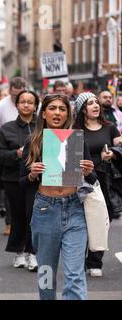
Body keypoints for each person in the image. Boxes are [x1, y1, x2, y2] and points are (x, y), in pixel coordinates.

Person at [20, 94, 96, 300]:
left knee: (75, 274)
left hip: (74, 210)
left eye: (62, 109)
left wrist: (89, 171)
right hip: (45, 210)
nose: (57, 113)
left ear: (67, 114)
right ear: (44, 113)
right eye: (52, 108)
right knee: (46, 274)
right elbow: (20, 182)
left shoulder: (77, 139)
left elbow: (93, 178)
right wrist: (32, 174)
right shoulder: (34, 142)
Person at [73, 92, 122, 276]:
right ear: (82, 110)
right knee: (82, 221)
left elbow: (120, 146)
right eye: (90, 103)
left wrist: (114, 153)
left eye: (96, 102)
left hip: (104, 180)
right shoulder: (75, 130)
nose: (95, 105)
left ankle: (95, 261)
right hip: (82, 181)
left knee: (102, 220)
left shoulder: (110, 128)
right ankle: (79, 259)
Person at [0, 90, 39, 271]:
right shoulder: (7, 129)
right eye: (23, 102)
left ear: (36, 105)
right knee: (18, 215)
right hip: (13, 179)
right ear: (17, 105)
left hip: (37, 179)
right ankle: (19, 252)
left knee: (34, 216)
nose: (26, 105)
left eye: (30, 102)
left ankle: (32, 252)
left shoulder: (42, 128)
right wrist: (17, 153)